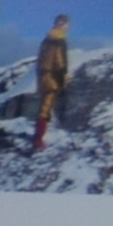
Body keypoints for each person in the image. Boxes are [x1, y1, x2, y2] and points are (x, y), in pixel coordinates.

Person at [34, 11, 73, 148]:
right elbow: (59, 60)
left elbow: (41, 60)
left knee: (44, 107)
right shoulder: (59, 41)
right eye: (66, 24)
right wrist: (63, 76)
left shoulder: (46, 40)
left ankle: (39, 137)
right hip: (53, 78)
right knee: (46, 109)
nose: (68, 27)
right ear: (61, 24)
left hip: (43, 77)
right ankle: (38, 141)